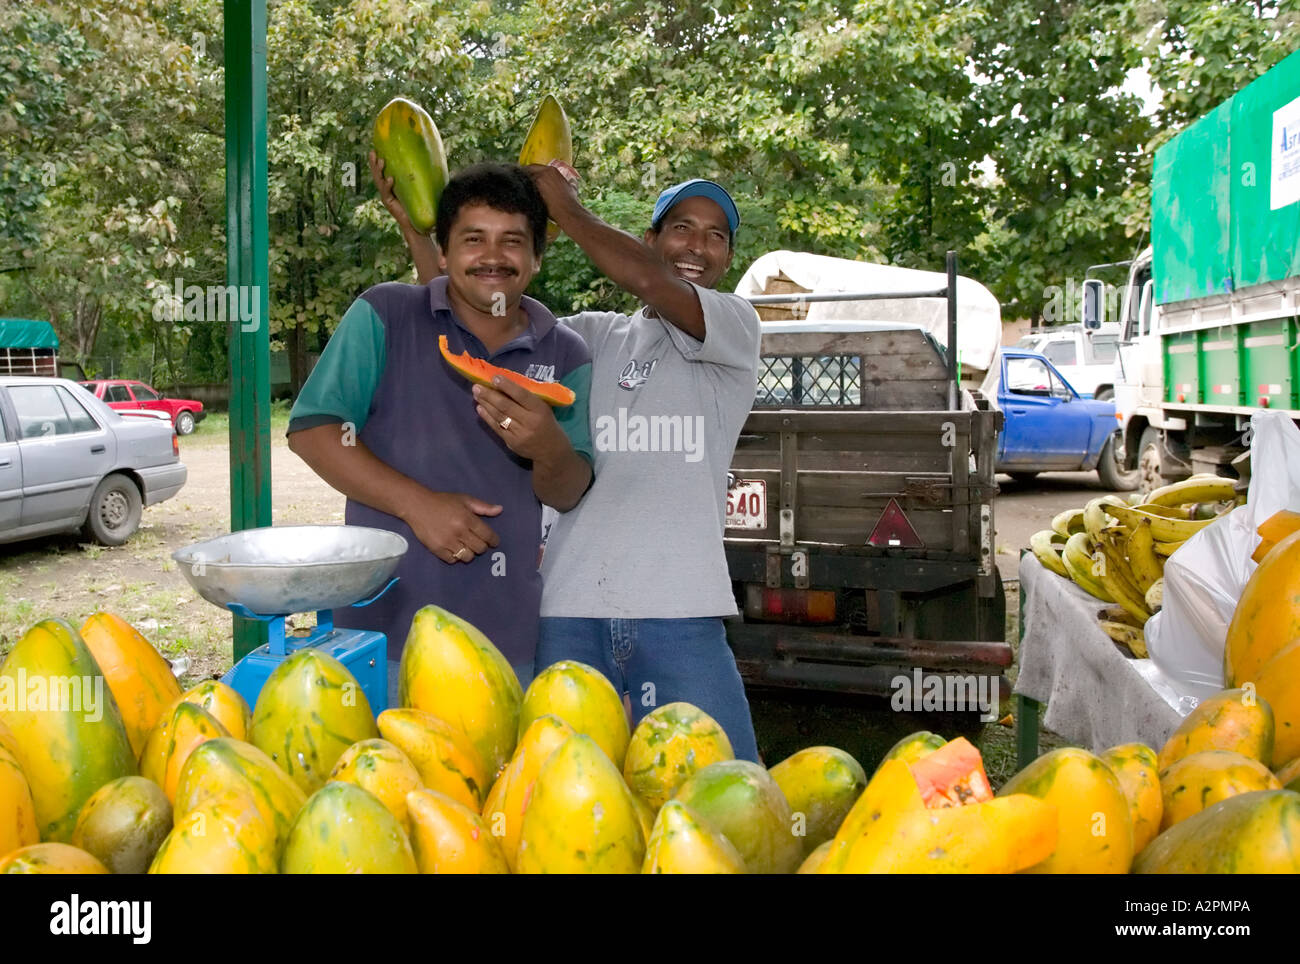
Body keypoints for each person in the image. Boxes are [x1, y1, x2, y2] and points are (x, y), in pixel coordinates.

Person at [378, 155, 762, 762]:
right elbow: (470, 331)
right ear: (651, 239)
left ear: (729, 258)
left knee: (727, 796)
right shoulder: (589, 337)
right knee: (560, 796)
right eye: (682, 227)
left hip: (682, 612)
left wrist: (566, 209)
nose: (699, 245)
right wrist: (421, 234)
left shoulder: (734, 328)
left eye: (718, 236)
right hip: (565, 610)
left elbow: (654, 285)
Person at [287, 162, 594, 704]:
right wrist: (417, 505)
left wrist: (546, 447)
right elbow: (313, 430)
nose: (493, 256)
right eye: (474, 239)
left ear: (538, 258)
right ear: (445, 253)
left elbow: (568, 490)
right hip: (377, 630)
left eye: (513, 241)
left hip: (504, 639)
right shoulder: (386, 314)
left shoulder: (566, 352)